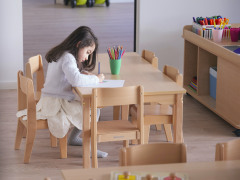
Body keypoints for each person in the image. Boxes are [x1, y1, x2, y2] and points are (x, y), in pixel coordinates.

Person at [17, 26, 108, 158]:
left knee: (90, 107)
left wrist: (81, 73)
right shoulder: (68, 58)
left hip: (51, 98)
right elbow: (75, 80)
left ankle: (74, 139)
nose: (88, 57)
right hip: (56, 103)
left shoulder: (63, 54)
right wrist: (95, 78)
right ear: (79, 44)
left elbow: (68, 76)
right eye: (88, 52)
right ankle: (89, 150)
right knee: (94, 109)